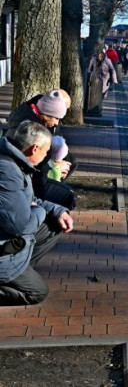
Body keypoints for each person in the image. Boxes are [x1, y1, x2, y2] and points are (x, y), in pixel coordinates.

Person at [0, 121, 74, 306]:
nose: (46, 156)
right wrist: (39, 210)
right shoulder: (7, 171)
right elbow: (21, 225)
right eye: (45, 151)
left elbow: (31, 199)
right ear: (34, 149)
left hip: (9, 234)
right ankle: (11, 273)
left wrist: (57, 211)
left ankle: (21, 267)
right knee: (37, 292)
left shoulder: (15, 160)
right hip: (5, 241)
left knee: (53, 225)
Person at [7, 90, 77, 209]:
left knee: (71, 162)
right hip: (32, 178)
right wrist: (55, 167)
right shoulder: (30, 129)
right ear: (46, 115)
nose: (57, 123)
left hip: (37, 172)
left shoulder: (42, 119)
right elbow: (33, 161)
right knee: (69, 197)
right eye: (56, 118)